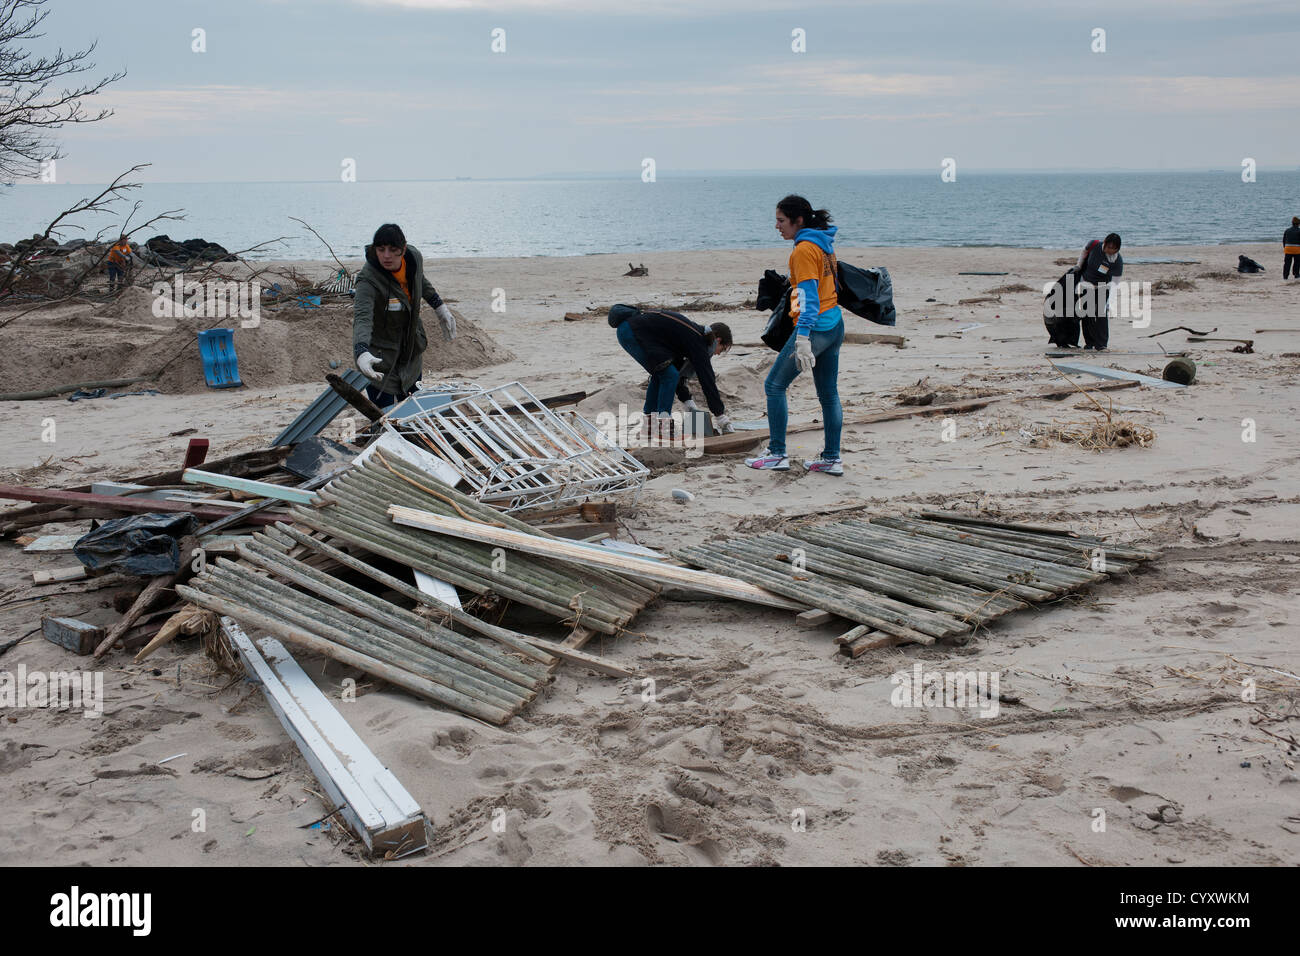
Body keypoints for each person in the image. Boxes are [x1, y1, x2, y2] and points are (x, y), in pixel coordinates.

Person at [746, 195, 845, 475]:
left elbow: (809, 298)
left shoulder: (803, 250)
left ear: (797, 220)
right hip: (835, 324)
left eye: (781, 220)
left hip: (815, 328)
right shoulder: (823, 244)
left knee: (774, 386)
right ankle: (831, 458)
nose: (777, 226)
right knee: (828, 394)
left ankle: (777, 453)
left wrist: (802, 338)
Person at [353, 223, 457, 408]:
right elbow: (362, 317)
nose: (386, 256)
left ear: (403, 249)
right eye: (381, 249)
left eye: (393, 250)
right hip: (380, 359)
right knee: (383, 416)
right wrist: (361, 351)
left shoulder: (414, 258)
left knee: (413, 411)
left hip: (411, 354)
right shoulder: (368, 280)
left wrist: (439, 307)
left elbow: (420, 281)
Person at [608, 304, 733, 439]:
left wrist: (689, 405)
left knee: (663, 374)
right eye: (723, 349)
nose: (719, 353)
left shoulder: (692, 337)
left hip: (631, 331)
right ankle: (663, 425)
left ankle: (650, 425)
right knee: (669, 376)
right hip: (632, 332)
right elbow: (707, 381)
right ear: (718, 340)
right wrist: (721, 418)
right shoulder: (698, 342)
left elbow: (679, 376)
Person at [1076, 233, 1123, 351]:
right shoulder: (1094, 245)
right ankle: (1089, 343)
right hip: (1086, 283)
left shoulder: (1117, 261)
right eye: (1109, 247)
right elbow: (1084, 252)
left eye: (1114, 248)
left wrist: (1109, 302)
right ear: (1105, 243)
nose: (1111, 250)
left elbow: (1115, 283)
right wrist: (1078, 265)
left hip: (1103, 287)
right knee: (1087, 314)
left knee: (1101, 315)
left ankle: (1101, 344)